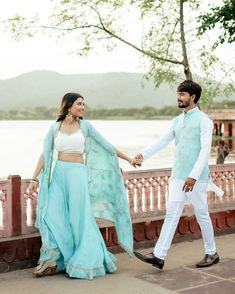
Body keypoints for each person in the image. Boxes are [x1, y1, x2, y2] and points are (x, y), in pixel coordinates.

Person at [27, 93, 134, 279]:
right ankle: (52, 259)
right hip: (59, 174)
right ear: (68, 106)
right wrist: (34, 178)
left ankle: (84, 260)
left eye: (84, 104)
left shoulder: (86, 127)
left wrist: (129, 158)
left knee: (79, 218)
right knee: (50, 215)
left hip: (78, 175)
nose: (83, 107)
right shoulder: (55, 128)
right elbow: (45, 154)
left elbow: (107, 146)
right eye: (79, 104)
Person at [133, 80, 220, 270]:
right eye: (178, 94)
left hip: (196, 178)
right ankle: (158, 256)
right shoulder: (177, 121)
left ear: (193, 97)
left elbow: (205, 150)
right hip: (178, 175)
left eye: (182, 94)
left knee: (202, 214)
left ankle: (211, 252)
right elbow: (162, 142)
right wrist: (143, 155)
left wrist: (194, 176)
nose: (178, 98)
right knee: (171, 214)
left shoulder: (204, 120)